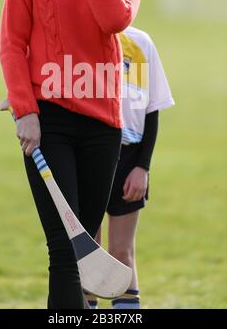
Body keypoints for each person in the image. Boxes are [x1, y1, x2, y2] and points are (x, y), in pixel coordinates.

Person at [0, 0, 141, 309]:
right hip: (48, 123)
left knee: (86, 248)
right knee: (64, 249)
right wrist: (26, 111)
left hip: (103, 126)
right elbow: (11, 45)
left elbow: (115, 20)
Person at [84, 26, 174, 309]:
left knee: (122, 253)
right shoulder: (81, 37)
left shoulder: (138, 43)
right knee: (90, 255)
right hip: (89, 154)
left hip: (129, 157)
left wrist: (142, 167)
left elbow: (151, 108)